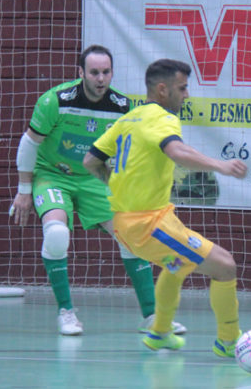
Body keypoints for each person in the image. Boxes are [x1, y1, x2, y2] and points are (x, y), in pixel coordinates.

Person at [10, 45, 186, 336]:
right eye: (94, 72)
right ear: (81, 73)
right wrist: (24, 190)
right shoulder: (55, 101)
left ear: (112, 73)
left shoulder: (122, 107)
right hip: (53, 175)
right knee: (56, 234)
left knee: (131, 237)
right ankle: (66, 312)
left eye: (106, 72)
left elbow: (135, 149)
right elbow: (30, 143)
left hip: (94, 179)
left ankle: (151, 316)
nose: (100, 78)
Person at [83, 58, 248, 356]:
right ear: (162, 89)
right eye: (182, 88)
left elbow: (90, 160)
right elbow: (177, 151)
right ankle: (229, 340)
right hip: (147, 225)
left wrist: (117, 183)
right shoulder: (162, 117)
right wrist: (220, 166)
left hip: (138, 220)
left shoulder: (128, 119)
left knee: (178, 266)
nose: (186, 95)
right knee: (225, 266)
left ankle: (159, 332)